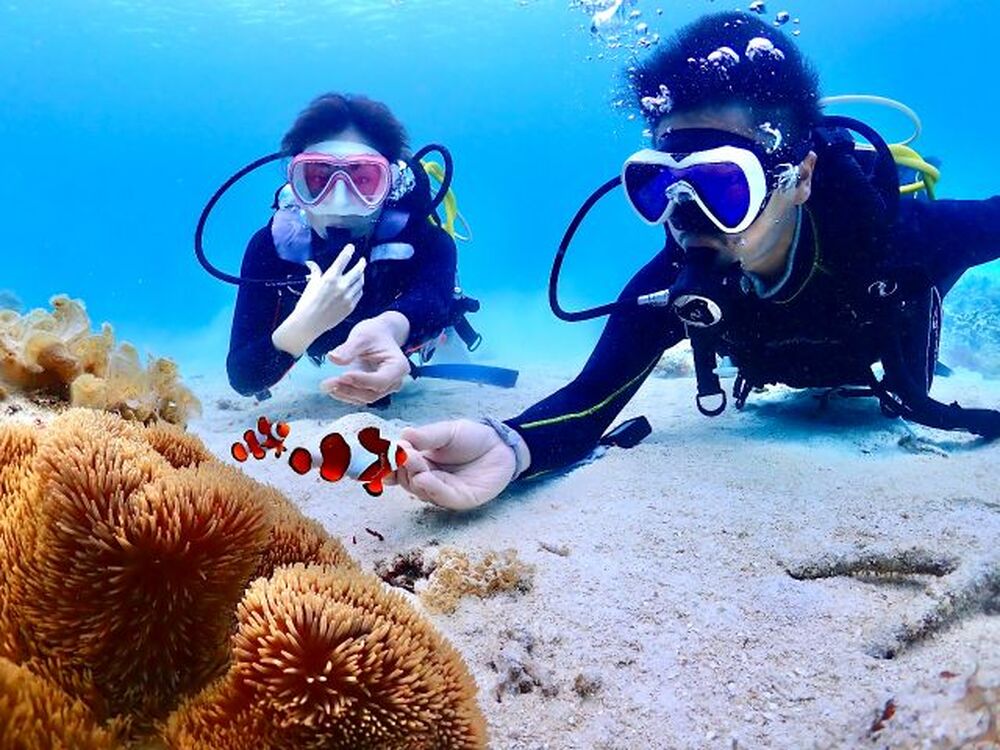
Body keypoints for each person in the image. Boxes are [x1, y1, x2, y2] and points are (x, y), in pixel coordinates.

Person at [391, 11, 1000, 510]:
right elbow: (590, 396)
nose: (687, 217)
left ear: (800, 177)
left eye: (723, 185)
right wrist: (511, 446)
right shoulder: (670, 287)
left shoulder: (897, 239)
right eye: (661, 185)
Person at [226, 93, 469, 404]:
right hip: (320, 342)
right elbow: (243, 377)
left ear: (391, 183)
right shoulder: (269, 248)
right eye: (318, 178)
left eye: (363, 179)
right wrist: (302, 328)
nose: (340, 201)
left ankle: (448, 341)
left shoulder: (427, 242)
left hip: (411, 338)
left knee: (445, 327)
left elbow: (433, 300)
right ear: (295, 185)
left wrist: (389, 328)